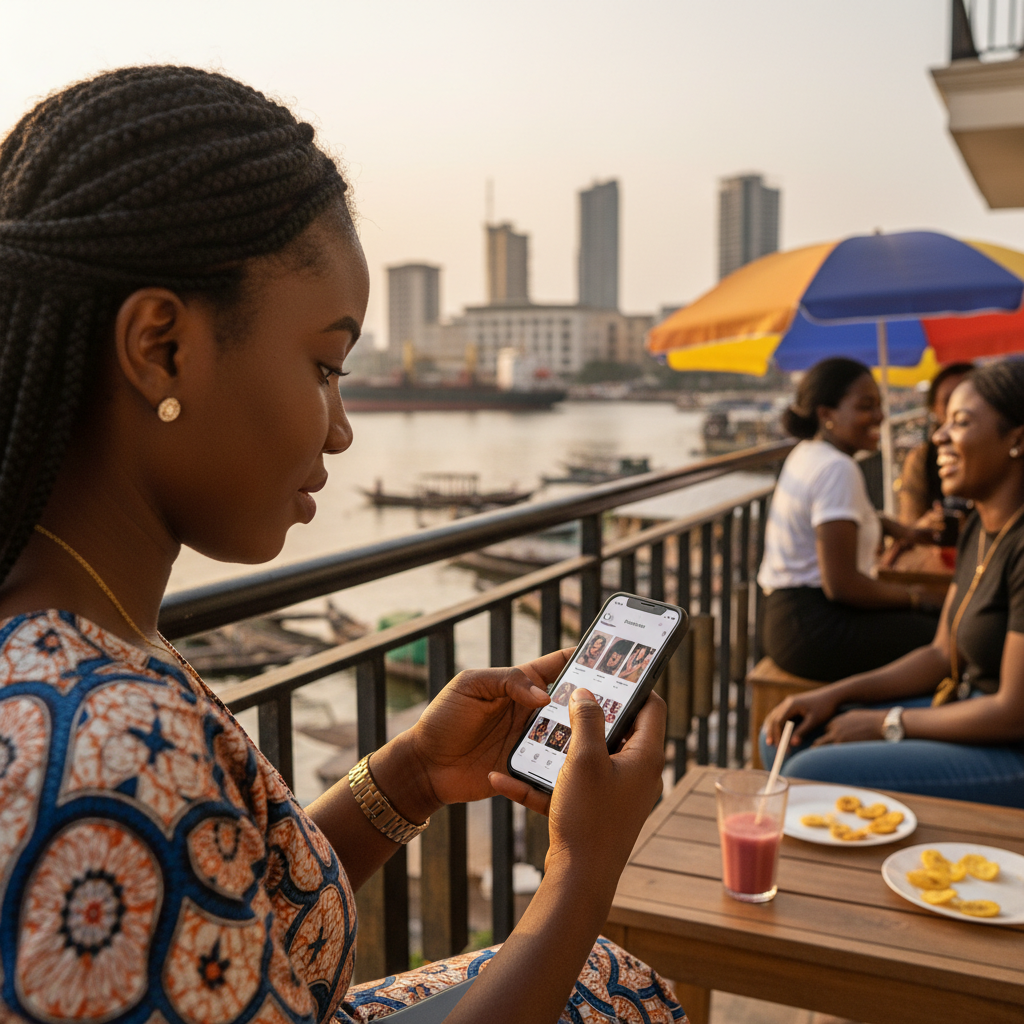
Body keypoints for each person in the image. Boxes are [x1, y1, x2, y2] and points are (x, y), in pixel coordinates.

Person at [0, 68, 685, 1024]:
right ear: (161, 346)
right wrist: (584, 871)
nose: (340, 429)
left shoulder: (83, 636)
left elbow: (207, 893)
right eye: (324, 366)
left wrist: (410, 774)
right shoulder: (102, 749)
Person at [762, 360, 1024, 809]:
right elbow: (942, 653)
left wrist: (888, 722)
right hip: (961, 705)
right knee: (788, 738)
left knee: (806, 776)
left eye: (959, 424)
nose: (938, 437)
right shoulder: (981, 531)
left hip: (1006, 744)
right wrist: (833, 695)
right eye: (942, 423)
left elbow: (1012, 713)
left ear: (1016, 440)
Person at [758, 357, 942, 682]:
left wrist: (905, 531)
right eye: (865, 406)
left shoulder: (809, 453)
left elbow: (854, 518)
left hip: (785, 623)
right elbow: (843, 585)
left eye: (879, 405)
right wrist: (917, 597)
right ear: (826, 414)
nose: (880, 416)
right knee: (944, 639)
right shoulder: (836, 468)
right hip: (815, 629)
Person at [897, 362, 973, 527]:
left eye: (968, 402)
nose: (957, 411)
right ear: (934, 409)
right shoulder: (922, 459)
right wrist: (924, 528)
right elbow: (909, 522)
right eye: (948, 403)